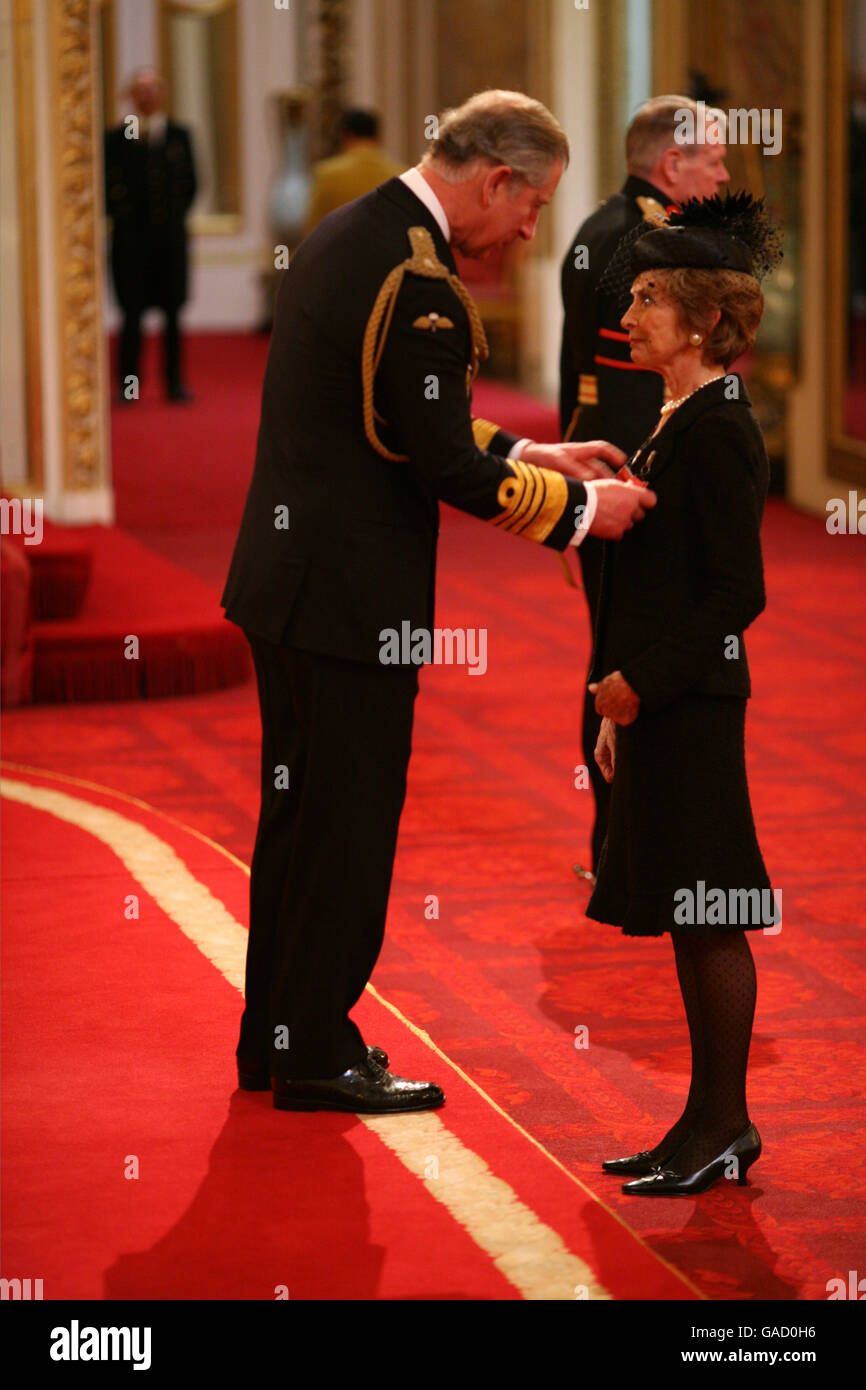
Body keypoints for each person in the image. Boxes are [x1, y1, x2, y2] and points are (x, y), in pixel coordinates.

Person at [221, 89, 655, 1116]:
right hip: (346, 602)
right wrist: (582, 510)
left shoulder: (361, 228)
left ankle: (275, 1038)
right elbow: (441, 467)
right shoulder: (419, 278)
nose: (528, 228)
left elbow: (409, 422)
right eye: (533, 204)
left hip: (290, 586)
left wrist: (529, 451)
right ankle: (318, 1048)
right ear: (495, 178)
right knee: (346, 823)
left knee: (299, 819)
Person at [584, 191, 783, 1195]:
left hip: (693, 705)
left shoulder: (717, 429)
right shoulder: (674, 415)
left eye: (650, 295)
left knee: (710, 906)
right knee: (685, 903)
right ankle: (701, 1123)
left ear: (703, 317)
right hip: (659, 707)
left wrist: (638, 685)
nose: (628, 314)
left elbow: (733, 591)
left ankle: (720, 1124)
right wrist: (617, 706)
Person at [559, 96, 731, 875]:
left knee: (622, 652)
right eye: (716, 160)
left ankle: (619, 844)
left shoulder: (608, 228)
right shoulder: (640, 243)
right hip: (638, 489)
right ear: (673, 166)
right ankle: (623, 846)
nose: (726, 172)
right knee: (626, 658)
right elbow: (629, 395)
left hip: (613, 480)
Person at [104, 68, 197, 403]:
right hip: (131, 243)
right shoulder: (117, 138)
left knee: (173, 315)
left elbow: (191, 184)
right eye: (140, 89)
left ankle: (174, 385)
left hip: (170, 242)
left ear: (163, 94)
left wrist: (169, 222)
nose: (147, 95)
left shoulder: (179, 135)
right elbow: (106, 189)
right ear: (130, 95)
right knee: (132, 317)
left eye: (153, 88)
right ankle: (129, 389)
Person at [303, 108, 402, 235]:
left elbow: (314, 229)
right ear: (377, 135)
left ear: (345, 134)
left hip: (341, 250)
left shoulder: (328, 173)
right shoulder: (399, 173)